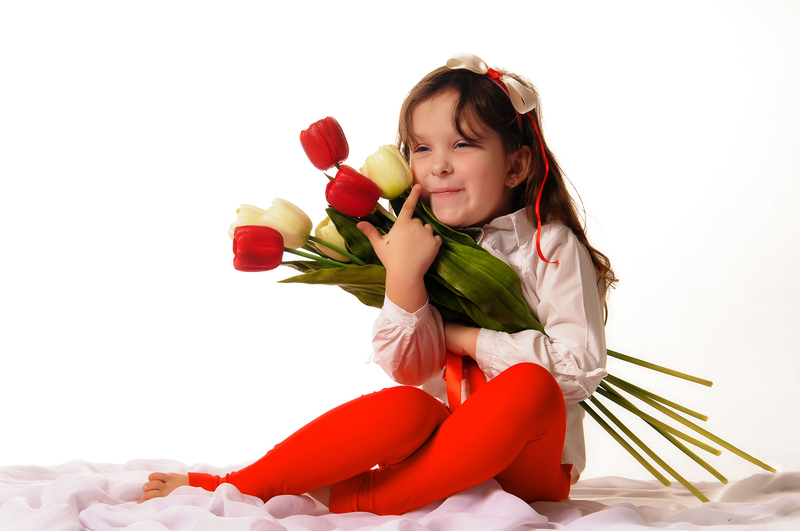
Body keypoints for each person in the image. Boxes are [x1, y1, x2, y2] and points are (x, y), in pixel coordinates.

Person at [139, 52, 616, 515]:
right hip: (436, 452)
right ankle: (239, 483)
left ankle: (364, 499)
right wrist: (403, 276)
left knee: (530, 387)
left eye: (463, 145)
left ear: (516, 166)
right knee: (408, 406)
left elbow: (579, 367)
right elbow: (409, 369)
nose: (438, 165)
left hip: (526, 468)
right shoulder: (416, 240)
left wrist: (461, 337)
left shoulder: (548, 247)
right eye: (422, 148)